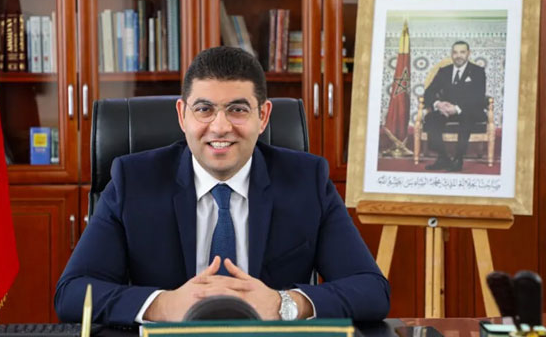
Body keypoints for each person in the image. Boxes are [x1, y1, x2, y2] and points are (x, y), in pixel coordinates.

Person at [54, 46, 390, 325]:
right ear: (182, 115)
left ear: (263, 116)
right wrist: (163, 305)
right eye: (204, 109)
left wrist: (284, 304)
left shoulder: (306, 180)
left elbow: (371, 290)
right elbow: (73, 292)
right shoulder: (134, 180)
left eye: (237, 110)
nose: (220, 127)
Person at [423, 41, 487, 172]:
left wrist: (457, 108)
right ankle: (443, 157)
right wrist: (438, 104)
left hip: (469, 110)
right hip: (446, 110)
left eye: (462, 52)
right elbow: (428, 92)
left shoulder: (478, 72)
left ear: (468, 53)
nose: (458, 56)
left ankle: (458, 159)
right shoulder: (444, 71)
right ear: (451, 54)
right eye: (455, 52)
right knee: (431, 118)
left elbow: (478, 97)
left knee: (467, 118)